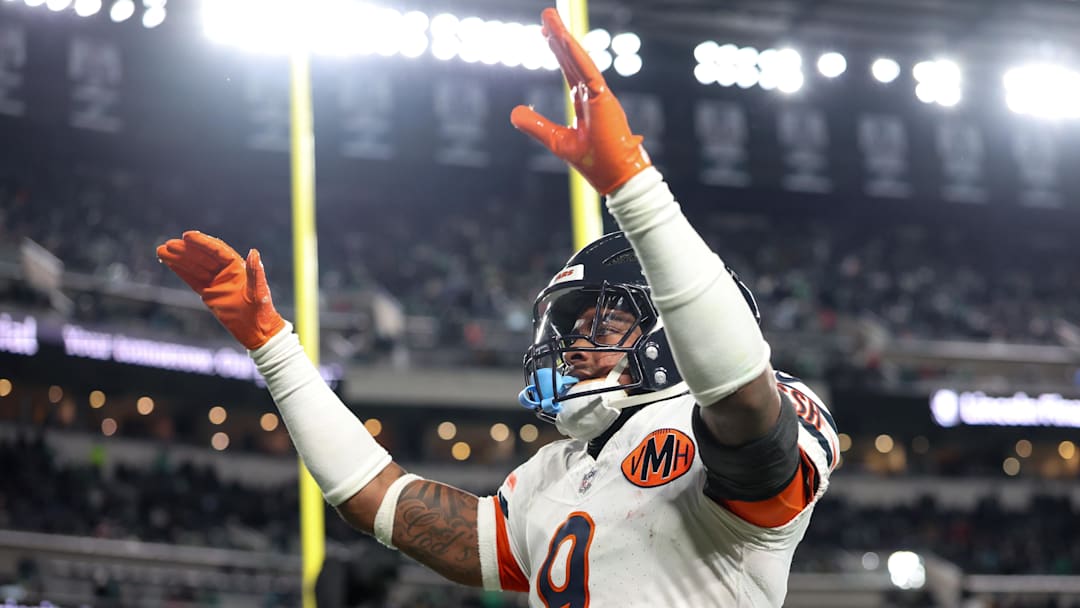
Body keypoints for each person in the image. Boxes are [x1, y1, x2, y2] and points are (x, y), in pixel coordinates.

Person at [156, 8, 839, 606]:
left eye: (603, 322)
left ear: (667, 331)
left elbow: (740, 403)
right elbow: (379, 499)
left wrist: (634, 188)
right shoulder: (557, 472)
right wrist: (274, 346)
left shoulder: (739, 416)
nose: (575, 345)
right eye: (573, 326)